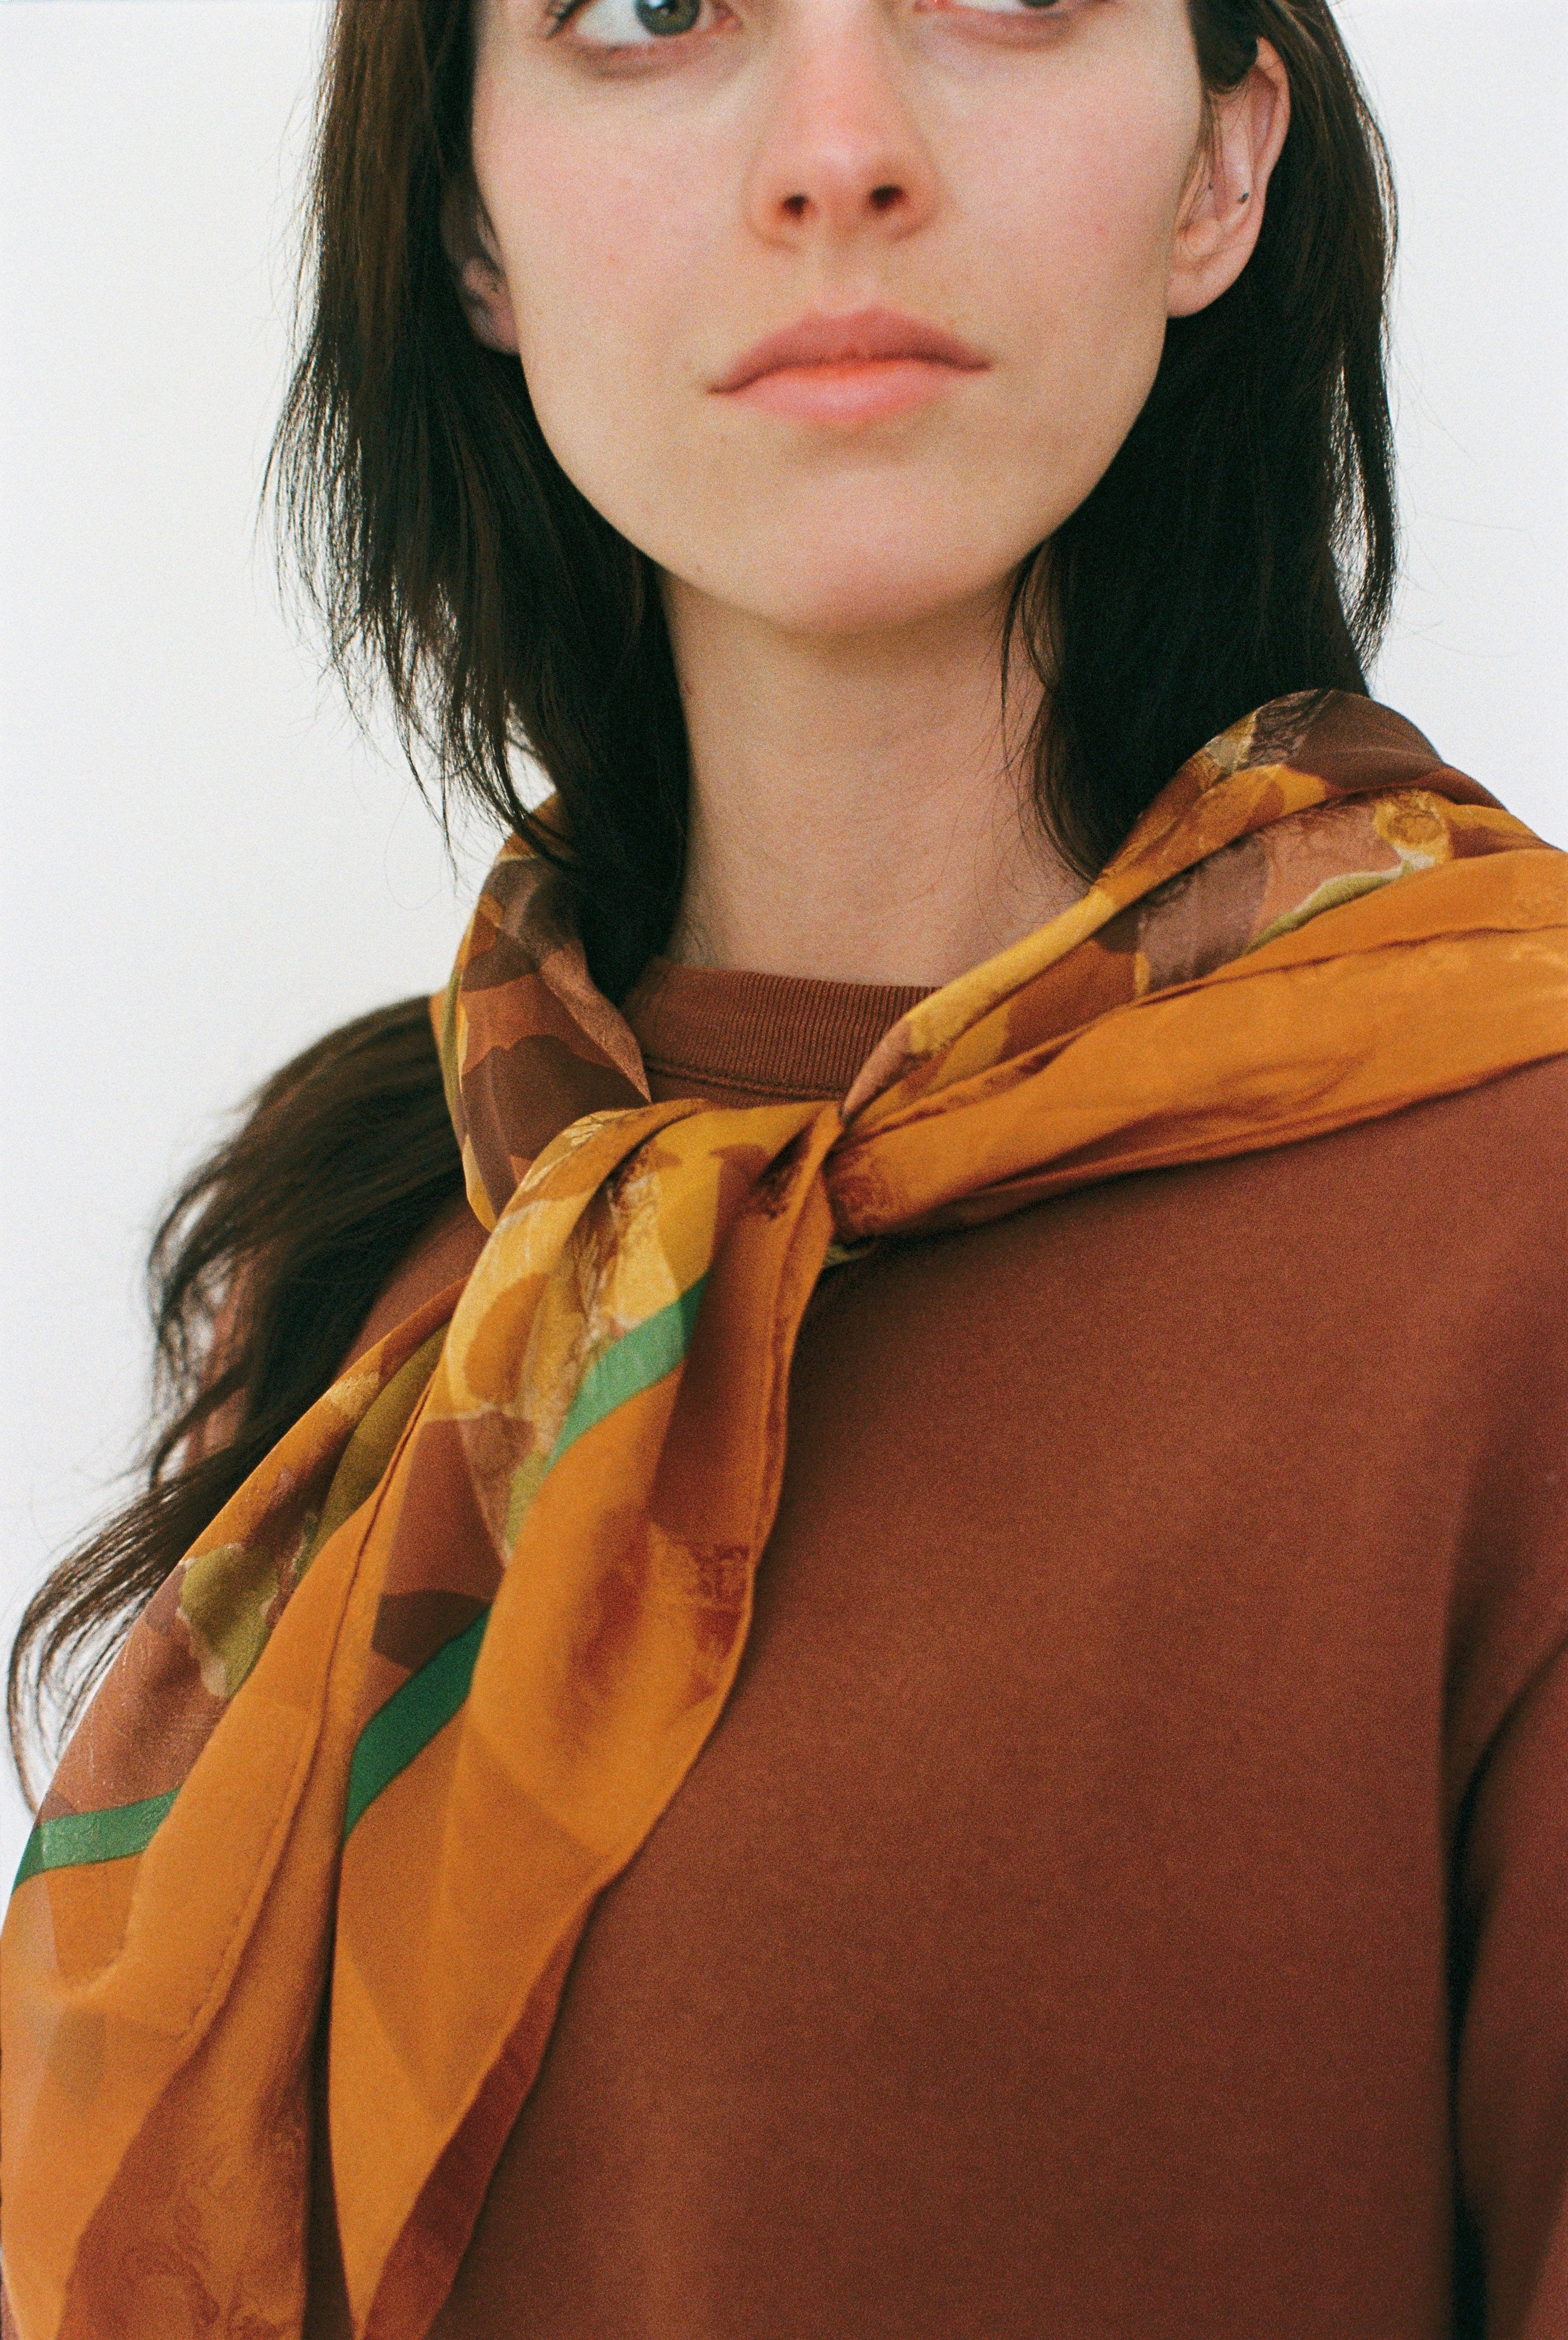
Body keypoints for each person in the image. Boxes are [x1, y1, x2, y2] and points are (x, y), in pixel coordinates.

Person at [3, 0, 1564, 2333]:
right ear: (467, 223)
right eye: (649, 7)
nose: (841, 154)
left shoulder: (1513, 1214)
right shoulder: (393, 1238)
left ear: (1227, 161)